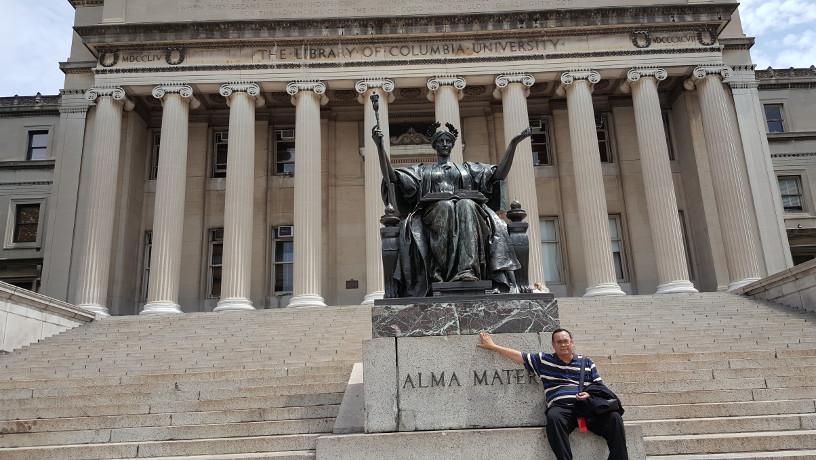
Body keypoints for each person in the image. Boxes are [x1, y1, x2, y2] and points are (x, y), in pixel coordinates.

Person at [372, 121, 533, 297]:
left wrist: (513, 144)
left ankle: (467, 271)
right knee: (445, 206)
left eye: (448, 141)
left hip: (468, 211)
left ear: (453, 144)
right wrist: (380, 147)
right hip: (433, 211)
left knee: (466, 204)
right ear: (434, 145)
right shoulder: (423, 170)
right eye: (440, 141)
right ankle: (439, 273)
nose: (444, 144)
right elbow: (392, 177)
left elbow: (499, 174)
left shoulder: (467, 169)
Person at [478, 329, 629, 460]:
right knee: (553, 418)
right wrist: (493, 346)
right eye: (559, 342)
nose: (563, 344)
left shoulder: (586, 362)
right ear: (553, 345)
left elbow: (600, 388)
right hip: (562, 409)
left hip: (587, 408)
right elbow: (520, 357)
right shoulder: (544, 360)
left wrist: (589, 395)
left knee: (614, 418)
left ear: (572, 343)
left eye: (565, 341)